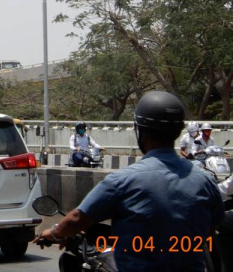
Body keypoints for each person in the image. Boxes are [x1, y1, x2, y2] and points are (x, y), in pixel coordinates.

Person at [36, 91, 225, 272]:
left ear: (140, 132)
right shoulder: (205, 181)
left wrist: (53, 233)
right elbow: (211, 228)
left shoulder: (122, 180)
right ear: (177, 132)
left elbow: (77, 219)